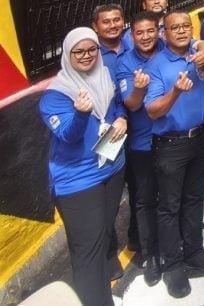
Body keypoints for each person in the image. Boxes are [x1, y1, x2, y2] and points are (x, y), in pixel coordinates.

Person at [40, 28, 127, 306]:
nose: (87, 55)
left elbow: (117, 105)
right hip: (78, 179)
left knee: (103, 233)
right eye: (79, 51)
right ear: (68, 54)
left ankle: (105, 279)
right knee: (87, 251)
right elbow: (68, 135)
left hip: (112, 166)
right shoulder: (55, 96)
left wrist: (122, 118)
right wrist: (80, 113)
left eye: (92, 49)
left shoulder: (105, 75)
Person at [145, 11, 204, 298]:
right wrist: (176, 92)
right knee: (169, 206)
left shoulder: (198, 55)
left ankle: (193, 250)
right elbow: (152, 110)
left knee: (194, 198)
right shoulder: (156, 65)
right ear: (164, 33)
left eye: (185, 26)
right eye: (173, 27)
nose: (180, 31)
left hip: (199, 139)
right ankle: (173, 265)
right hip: (171, 144)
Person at [114, 11, 163, 287]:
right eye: (139, 33)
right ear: (131, 36)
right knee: (145, 201)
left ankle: (175, 245)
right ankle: (151, 255)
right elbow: (131, 104)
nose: (145, 37)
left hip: (171, 139)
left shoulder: (169, 50)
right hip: (142, 143)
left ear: (158, 31)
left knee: (172, 197)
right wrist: (140, 90)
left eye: (150, 31)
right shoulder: (125, 63)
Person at [92, 4, 127, 76]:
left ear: (123, 22)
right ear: (95, 26)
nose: (112, 25)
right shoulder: (91, 54)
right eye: (106, 22)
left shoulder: (135, 46)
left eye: (117, 20)